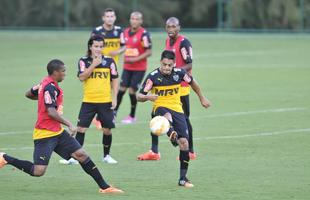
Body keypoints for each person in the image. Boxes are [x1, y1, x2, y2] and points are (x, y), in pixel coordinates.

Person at [0, 59, 123, 194]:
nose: (65, 74)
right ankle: (6, 158)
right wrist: (69, 124)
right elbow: (51, 112)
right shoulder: (49, 87)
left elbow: (29, 93)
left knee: (81, 155)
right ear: (55, 72)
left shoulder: (44, 84)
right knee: (38, 171)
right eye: (63, 71)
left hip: (57, 132)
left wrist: (42, 98)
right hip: (45, 134)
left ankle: (105, 187)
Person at [136, 50, 210, 187]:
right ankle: (171, 133)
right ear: (160, 62)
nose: (166, 68)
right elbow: (139, 96)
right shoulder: (152, 77)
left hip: (177, 109)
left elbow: (193, 83)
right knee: (166, 116)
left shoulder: (180, 73)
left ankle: (183, 178)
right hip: (159, 108)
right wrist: (147, 97)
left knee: (184, 144)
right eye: (164, 64)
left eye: (169, 65)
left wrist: (202, 97)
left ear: (174, 64)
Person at [137, 17, 196, 161]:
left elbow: (189, 65)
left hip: (179, 86)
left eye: (173, 26)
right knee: (155, 115)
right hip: (166, 84)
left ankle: (190, 151)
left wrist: (175, 73)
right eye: (168, 27)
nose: (171, 29)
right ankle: (155, 150)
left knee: (184, 119)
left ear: (179, 27)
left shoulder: (183, 42)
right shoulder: (168, 41)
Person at [60, 35, 119, 165]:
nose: (98, 49)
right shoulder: (83, 61)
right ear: (90, 47)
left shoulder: (110, 61)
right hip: (89, 101)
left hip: (105, 101)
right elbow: (82, 77)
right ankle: (75, 157)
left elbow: (114, 79)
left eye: (101, 46)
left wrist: (114, 98)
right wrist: (94, 64)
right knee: (81, 129)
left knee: (107, 130)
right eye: (96, 46)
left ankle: (107, 156)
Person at [114, 11, 152, 124]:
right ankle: (114, 113)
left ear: (141, 21)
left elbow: (149, 52)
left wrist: (134, 59)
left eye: (137, 19)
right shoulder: (124, 33)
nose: (134, 21)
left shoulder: (144, 34)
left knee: (132, 91)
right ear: (130, 20)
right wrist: (116, 52)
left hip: (139, 68)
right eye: (132, 18)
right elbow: (123, 47)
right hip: (127, 67)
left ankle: (132, 116)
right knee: (121, 90)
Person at [91, 8, 126, 129]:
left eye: (112, 16)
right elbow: (91, 47)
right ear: (103, 18)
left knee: (112, 91)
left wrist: (117, 51)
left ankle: (103, 117)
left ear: (115, 18)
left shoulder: (119, 31)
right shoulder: (97, 31)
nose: (110, 18)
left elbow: (124, 47)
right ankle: (99, 118)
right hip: (99, 68)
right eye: (107, 16)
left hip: (113, 67)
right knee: (101, 92)